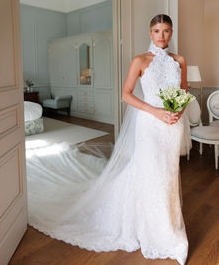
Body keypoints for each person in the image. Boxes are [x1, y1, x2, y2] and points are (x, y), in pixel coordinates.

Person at [26, 14, 191, 265]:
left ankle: (167, 221)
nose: (161, 36)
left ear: (172, 33)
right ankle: (155, 229)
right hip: (150, 124)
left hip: (172, 126)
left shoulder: (179, 60)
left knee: (168, 174)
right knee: (150, 172)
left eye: (166, 31)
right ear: (150, 33)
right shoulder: (140, 60)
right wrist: (156, 111)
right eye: (156, 30)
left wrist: (178, 111)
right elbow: (126, 94)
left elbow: (184, 89)